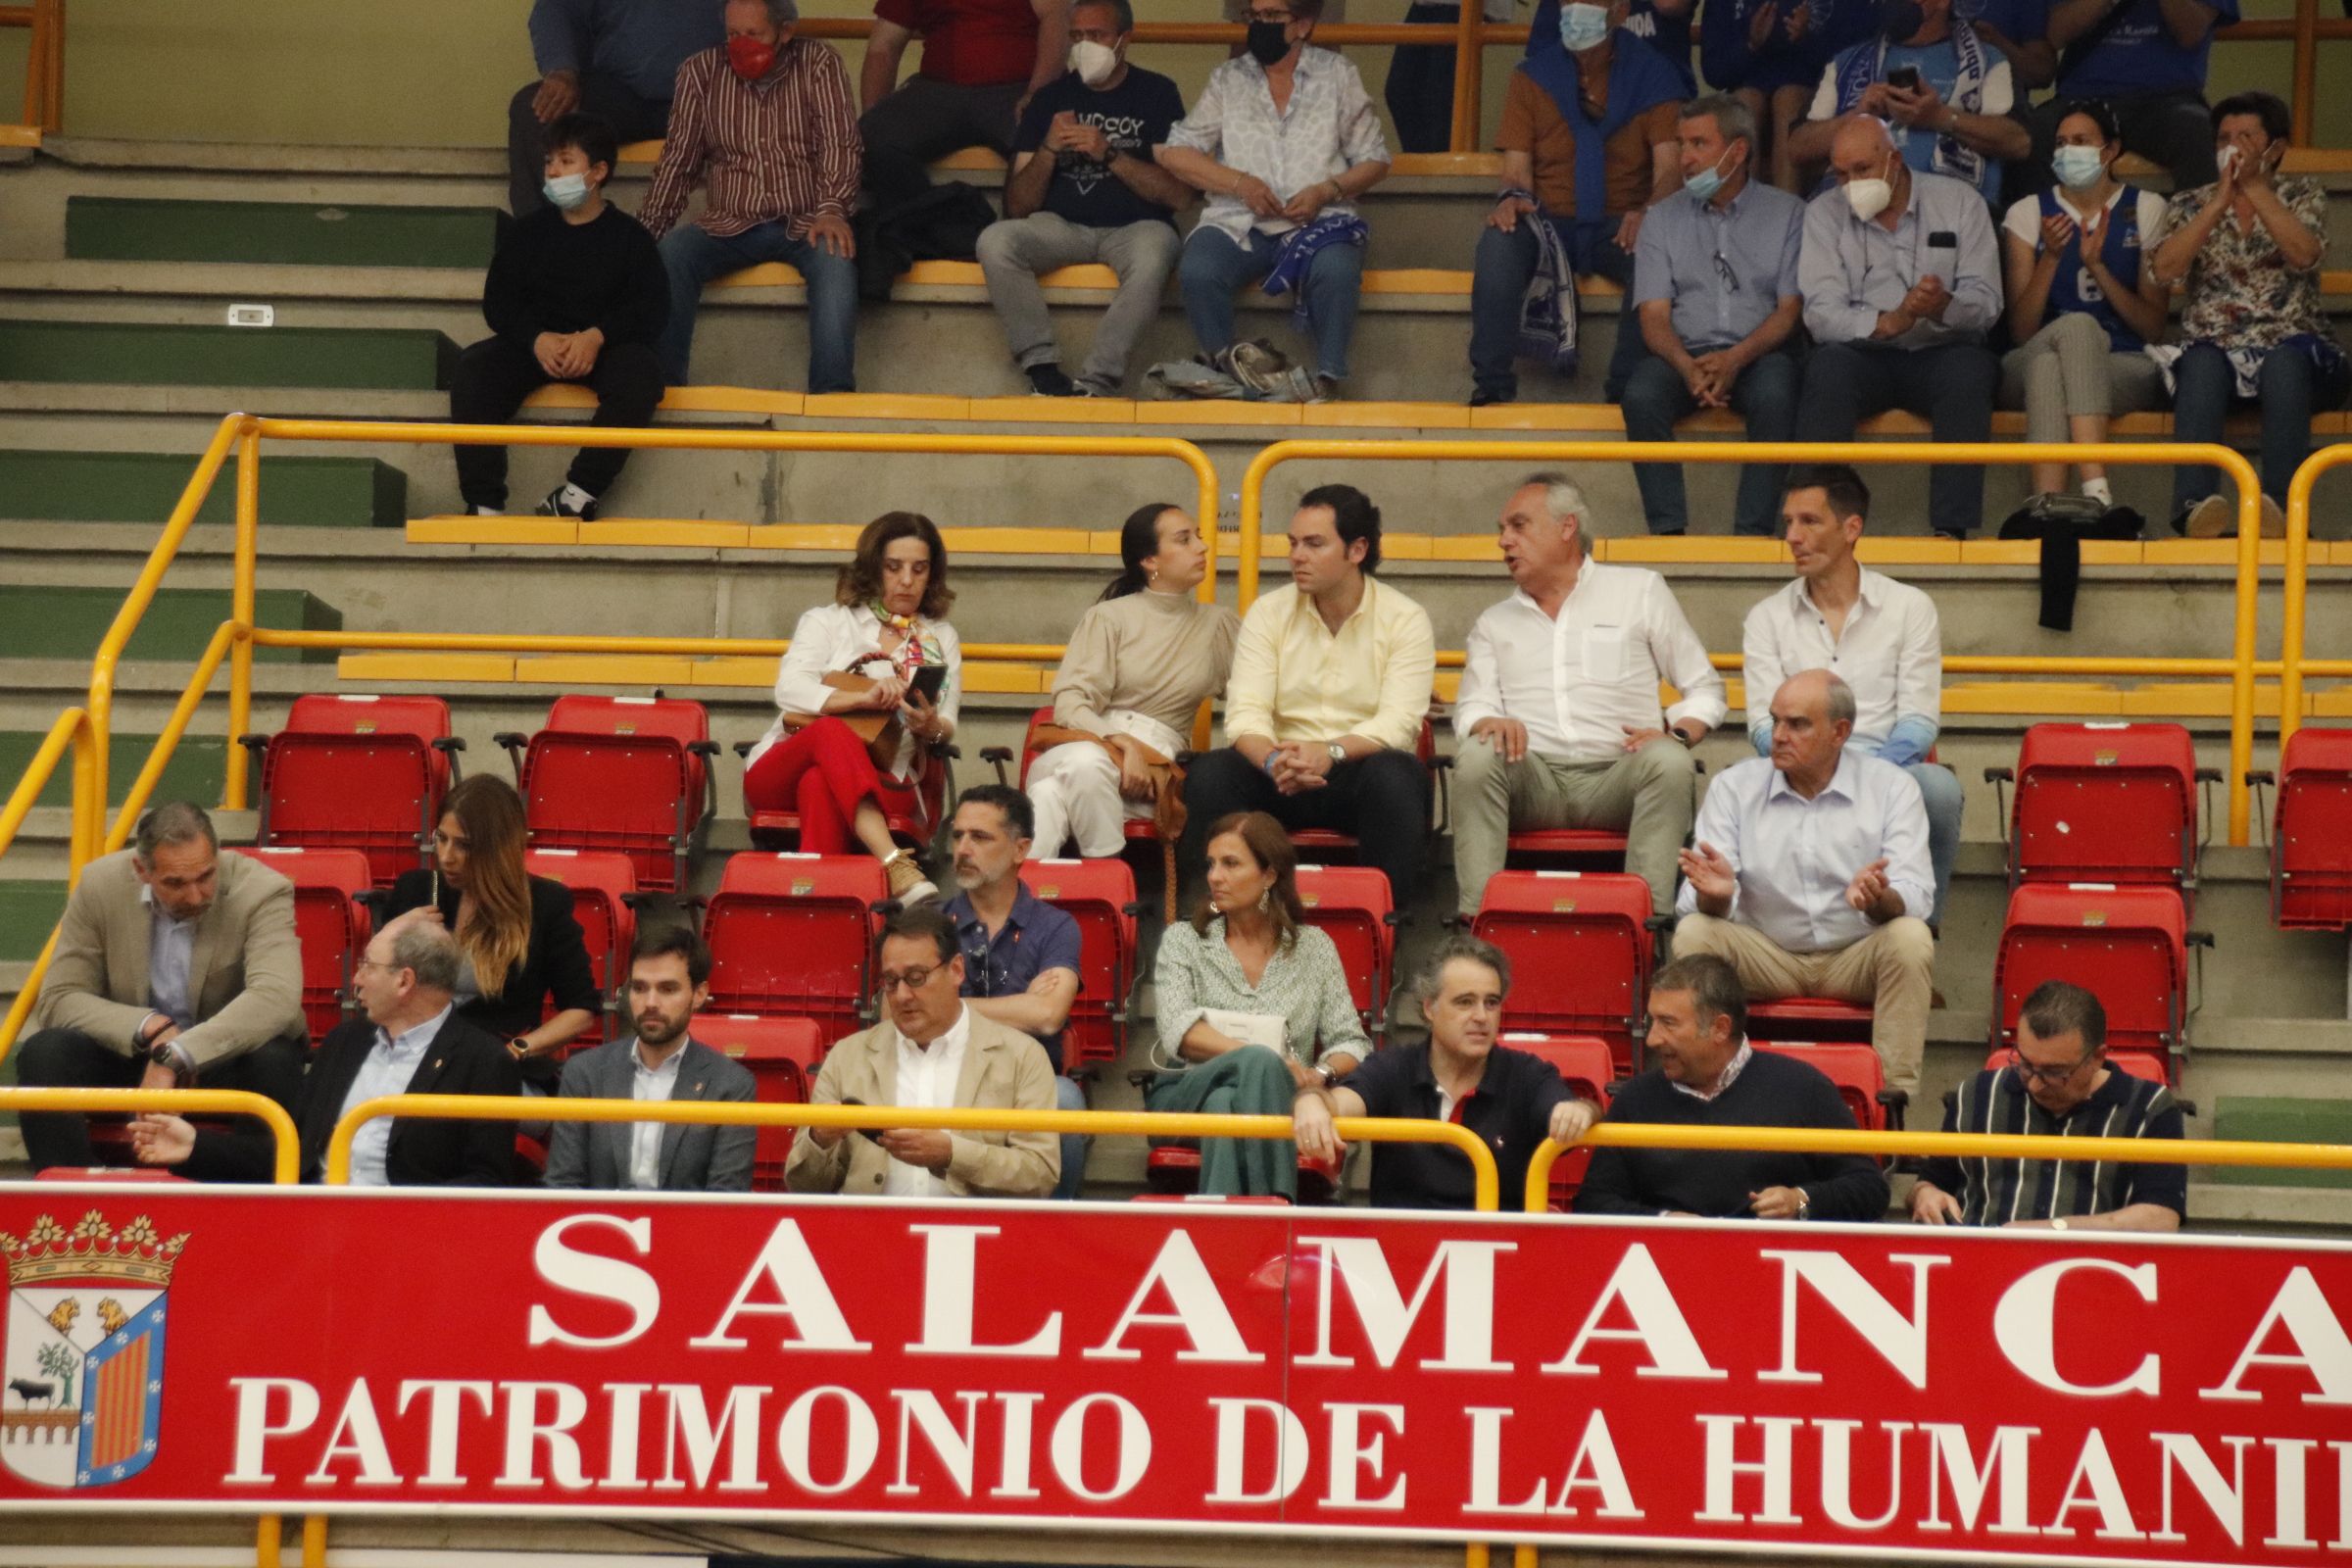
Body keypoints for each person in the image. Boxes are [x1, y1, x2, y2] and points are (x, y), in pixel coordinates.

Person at [1451, 474, 1723, 919]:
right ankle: (1478, 924)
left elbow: (1705, 689)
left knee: (1670, 761)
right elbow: (1472, 707)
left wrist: (1675, 735)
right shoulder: (1493, 621)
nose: (1504, 541)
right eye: (1502, 529)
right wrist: (1488, 722)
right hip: (1534, 780)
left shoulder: (1639, 591)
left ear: (1567, 527)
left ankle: (1645, 926)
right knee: (1479, 753)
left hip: (1619, 774)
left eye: (1519, 526)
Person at [1672, 669, 1936, 1098]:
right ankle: (1705, 1094)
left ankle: (1891, 1102)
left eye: (1797, 724)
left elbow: (1917, 895)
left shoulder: (1891, 788)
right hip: (1766, 954)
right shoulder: (1734, 788)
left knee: (1910, 936)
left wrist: (1877, 900)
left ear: (1840, 732)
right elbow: (1695, 901)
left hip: (1854, 955)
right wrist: (1715, 898)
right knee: (1695, 931)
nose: (1778, 735)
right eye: (1775, 721)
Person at [14, 803, 306, 1175]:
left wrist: (177, 1053)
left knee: (276, 1058)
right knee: (45, 1052)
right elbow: (60, 996)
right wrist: (151, 1028)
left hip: (222, 1056)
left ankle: (253, 1198)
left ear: (216, 856)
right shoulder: (99, 885)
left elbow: (276, 998)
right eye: (175, 883)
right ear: (141, 870)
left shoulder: (263, 889)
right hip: (133, 1055)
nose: (196, 895)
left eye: (206, 876)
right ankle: (70, 1198)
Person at [1180, 484, 1437, 906]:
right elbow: (1245, 713)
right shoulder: (1269, 611)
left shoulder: (1404, 618)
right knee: (1212, 773)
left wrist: (1329, 751)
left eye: (1314, 544)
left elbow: (1399, 722)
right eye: (1294, 543)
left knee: (1397, 775)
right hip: (1278, 770)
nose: (1297, 556)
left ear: (1356, 550)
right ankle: (1209, 921)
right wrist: (1271, 759)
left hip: (1356, 770)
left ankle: (1387, 926)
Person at [129, 924, 521, 1187]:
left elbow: (485, 1184)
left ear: (405, 981)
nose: (356, 978)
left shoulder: (484, 1062)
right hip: (317, 1227)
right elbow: (294, 1154)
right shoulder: (344, 1042)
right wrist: (196, 1144)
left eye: (368, 964)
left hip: (412, 1245)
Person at [1742, 466, 1960, 924]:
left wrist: (1865, 777)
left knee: (1938, 790)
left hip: (1886, 760)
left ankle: (1920, 936)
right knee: (1733, 788)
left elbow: (1919, 721)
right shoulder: (1766, 616)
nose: (1792, 537)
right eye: (1788, 522)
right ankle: (1766, 933)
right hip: (1796, 763)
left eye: (1809, 521)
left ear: (1851, 528)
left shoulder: (1909, 607)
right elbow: (1763, 727)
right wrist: (1813, 766)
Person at [1156, 0, 1394, 401]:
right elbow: (1177, 151)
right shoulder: (1228, 78)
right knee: (1198, 270)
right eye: (1255, 15)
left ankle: (1327, 380)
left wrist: (1326, 191)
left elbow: (1375, 159)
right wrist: (1239, 183)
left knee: (1336, 271)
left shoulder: (1338, 75)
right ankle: (1227, 374)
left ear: (1302, 24)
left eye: (1272, 16)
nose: (1259, 24)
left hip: (1319, 221)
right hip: (1240, 218)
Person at [453, 113, 669, 523]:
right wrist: (535, 338)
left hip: (602, 349)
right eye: (550, 161)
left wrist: (597, 336)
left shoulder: (630, 238)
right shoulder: (528, 232)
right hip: (534, 347)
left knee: (642, 375)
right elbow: (498, 302)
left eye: (566, 161)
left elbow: (651, 308)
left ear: (598, 171)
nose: (553, 170)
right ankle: (483, 505)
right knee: (474, 370)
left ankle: (577, 495)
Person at [1467, 0, 1685, 407]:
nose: (1575, 9)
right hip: (1546, 221)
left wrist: (1649, 212)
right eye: (1568, 1)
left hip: (1621, 222)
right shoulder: (1533, 76)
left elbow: (1670, 172)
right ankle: (1492, 384)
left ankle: (1624, 390)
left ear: (1620, 11)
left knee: (1656, 247)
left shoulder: (1654, 74)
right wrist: (1512, 199)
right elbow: (1516, 172)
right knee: (1499, 241)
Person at [1793, 114, 2001, 540]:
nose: (1851, 183)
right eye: (1841, 174)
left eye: (1862, 170)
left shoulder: (1961, 202)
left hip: (1941, 351)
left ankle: (1951, 531)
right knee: (1826, 369)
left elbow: (1987, 304)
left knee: (1970, 371)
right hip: (1864, 355)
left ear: (1895, 160)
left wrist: (1943, 306)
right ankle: (1815, 524)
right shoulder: (1822, 213)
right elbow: (1820, 314)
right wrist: (1889, 321)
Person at [2149, 92, 2344, 540]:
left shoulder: (2303, 194)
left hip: (2295, 348)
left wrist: (2255, 189)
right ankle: (2195, 510)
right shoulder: (2191, 201)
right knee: (2200, 361)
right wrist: (2218, 203)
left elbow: (2304, 254)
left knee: (2285, 363)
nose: (2231, 147)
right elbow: (2164, 270)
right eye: (2223, 138)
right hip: (2214, 350)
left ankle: (2279, 509)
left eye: (2245, 137)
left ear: (2274, 148)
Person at [743, 512, 962, 906]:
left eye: (919, 569)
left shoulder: (939, 638)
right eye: (894, 568)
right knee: (831, 733)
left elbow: (948, 725)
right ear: (873, 569)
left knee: (820, 783)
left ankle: (820, 915)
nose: (907, 580)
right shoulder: (829, 622)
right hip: (782, 769)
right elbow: (789, 689)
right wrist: (860, 699)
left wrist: (929, 726)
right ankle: (895, 865)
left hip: (887, 778)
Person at [641, 0, 862, 391]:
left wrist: (832, 209)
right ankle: (661, 389)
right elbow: (678, 163)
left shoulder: (819, 62)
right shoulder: (699, 72)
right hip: (727, 223)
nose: (740, 44)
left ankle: (832, 399)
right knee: (671, 255)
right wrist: (645, 234)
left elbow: (840, 144)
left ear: (785, 32)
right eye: (732, 35)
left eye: (753, 34)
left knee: (835, 258)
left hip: (806, 221)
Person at [976, 0, 1193, 399]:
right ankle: (1042, 368)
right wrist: (1048, 149)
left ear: (1124, 39)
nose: (1084, 45)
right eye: (1076, 36)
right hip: (1061, 227)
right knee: (995, 240)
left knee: (1157, 250)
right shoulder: (1049, 99)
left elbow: (1179, 195)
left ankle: (1098, 381)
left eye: (1097, 35)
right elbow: (1018, 207)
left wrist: (1108, 152)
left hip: (1135, 228)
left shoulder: (1157, 93)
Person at [1150, 811, 1368, 1199]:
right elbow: (1178, 1031)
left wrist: (1317, 1073)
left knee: (1224, 1106)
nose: (1215, 876)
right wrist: (1267, 1059)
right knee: (1255, 1065)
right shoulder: (1185, 939)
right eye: (1212, 864)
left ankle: (1235, 1234)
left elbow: (1352, 1042)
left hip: (1276, 1101)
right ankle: (1278, 1208)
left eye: (1231, 864)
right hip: (1184, 1096)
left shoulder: (1314, 948)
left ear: (1270, 875)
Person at [1574, 954, 1890, 1218]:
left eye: (1668, 1023)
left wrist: (1800, 1200)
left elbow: (1869, 1189)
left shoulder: (1804, 1087)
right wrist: (1664, 1220)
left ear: (1720, 1028)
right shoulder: (1637, 1098)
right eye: (1652, 1022)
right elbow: (1594, 1202)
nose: (1654, 1039)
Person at [1295, 935, 1599, 1208]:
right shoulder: (1392, 1067)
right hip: (1400, 1255)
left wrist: (1580, 1111)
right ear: (1429, 1008)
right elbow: (1338, 1103)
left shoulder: (1528, 1074)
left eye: (1491, 1003)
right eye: (1464, 1002)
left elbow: (1572, 1109)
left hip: (1499, 1255)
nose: (1481, 1016)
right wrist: (1311, 1102)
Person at [1619, 93, 1806, 536]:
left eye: (1698, 144)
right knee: (1641, 395)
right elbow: (1654, 318)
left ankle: (1752, 534)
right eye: (1682, 145)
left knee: (1778, 394)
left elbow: (1788, 312)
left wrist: (1735, 359)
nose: (1684, 159)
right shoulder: (1661, 220)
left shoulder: (1788, 214)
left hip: (1758, 353)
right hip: (1683, 354)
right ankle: (1667, 532)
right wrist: (1687, 366)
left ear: (1737, 151)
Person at [785, 906, 1059, 1197]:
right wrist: (819, 1140)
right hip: (870, 1234)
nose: (902, 996)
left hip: (973, 1237)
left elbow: (1040, 1174)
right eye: (891, 982)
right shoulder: (847, 1056)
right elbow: (802, 1187)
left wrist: (953, 1154)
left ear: (956, 970)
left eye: (916, 977)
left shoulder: (1021, 1057)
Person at [1030, 504, 1240, 859]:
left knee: (1049, 795)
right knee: (1085, 764)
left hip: (1153, 770)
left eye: (1199, 538)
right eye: (1184, 540)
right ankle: (1108, 877)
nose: (1202, 548)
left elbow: (1254, 698)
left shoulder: (1219, 625)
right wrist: (1122, 743)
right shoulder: (1107, 617)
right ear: (1150, 561)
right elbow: (1070, 704)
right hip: (1091, 742)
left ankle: (1018, 905)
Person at [379, 774, 602, 1096]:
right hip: (411, 1059)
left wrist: (518, 1049)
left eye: (464, 845)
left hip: (496, 1068)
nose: (446, 856)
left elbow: (581, 1010)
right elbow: (373, 987)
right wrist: (393, 932)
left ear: (498, 847)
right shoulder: (415, 890)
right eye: (441, 839)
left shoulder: (543, 903)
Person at [1998, 98, 2171, 512]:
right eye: (2060, 143)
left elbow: (2151, 327)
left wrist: (2098, 267)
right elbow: (2022, 332)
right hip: (2032, 352)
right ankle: (2097, 490)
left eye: (2080, 141)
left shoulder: (2146, 208)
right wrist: (2052, 258)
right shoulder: (2027, 212)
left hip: (2123, 360)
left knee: (2049, 372)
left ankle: (2046, 508)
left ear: (2109, 151)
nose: (2066, 151)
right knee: (2068, 333)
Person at [1912, 980, 2186, 1230]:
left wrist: (2054, 1230)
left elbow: (2161, 1218)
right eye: (2025, 1064)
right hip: (1980, 1267)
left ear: (2097, 1058)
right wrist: (1926, 1194)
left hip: (2097, 1270)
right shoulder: (1976, 1093)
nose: (2034, 1084)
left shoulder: (2149, 1108)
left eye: (2055, 1072)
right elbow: (1930, 1182)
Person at [939, 786, 1091, 1200]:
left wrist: (950, 1007)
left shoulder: (1056, 926)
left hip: (1029, 1081)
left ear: (1021, 849)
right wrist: (1022, 1003)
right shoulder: (931, 923)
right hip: (942, 1075)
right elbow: (896, 1017)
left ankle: (1054, 1233)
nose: (963, 849)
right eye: (957, 836)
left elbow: (1047, 1016)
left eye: (980, 837)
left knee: (1066, 1100)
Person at [543, 927, 758, 1193]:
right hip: (597, 1227)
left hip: (688, 1230)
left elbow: (725, 1199)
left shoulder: (731, 1084)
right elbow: (562, 1186)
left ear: (699, 995)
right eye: (639, 988)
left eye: (668, 989)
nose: (650, 1002)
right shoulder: (584, 1073)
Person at [1785, 0, 2030, 210]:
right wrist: (1858, 115)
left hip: (1950, 213)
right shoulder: (1847, 63)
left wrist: (1938, 117)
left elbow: (2019, 142)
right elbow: (1797, 148)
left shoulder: (1988, 60)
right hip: (1853, 212)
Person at [508, 0, 725, 219]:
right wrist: (562, 70)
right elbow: (556, 8)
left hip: (719, 100)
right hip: (623, 95)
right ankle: (540, 243)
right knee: (533, 109)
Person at [859, 0, 1073, 207]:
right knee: (873, 136)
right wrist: (872, 122)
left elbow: (1056, 19)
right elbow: (883, 48)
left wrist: (1038, 94)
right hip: (937, 90)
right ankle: (921, 231)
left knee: (1041, 134)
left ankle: (1012, 237)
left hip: (1016, 90)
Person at [2026, 0, 2235, 198]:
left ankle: (2198, 230)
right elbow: (2056, 34)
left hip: (2167, 100)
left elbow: (2191, 32)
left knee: (2197, 130)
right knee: (2035, 131)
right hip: (2083, 97)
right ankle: (2038, 232)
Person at [1699, 0, 1874, 193]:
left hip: (1811, 92)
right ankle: (1740, 211)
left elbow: (1855, 57)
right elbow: (1714, 72)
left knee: (1788, 99)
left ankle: (1788, 212)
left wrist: (1808, 38)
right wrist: (1751, 45)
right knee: (1747, 101)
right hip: (1747, 92)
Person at [1387, 0, 1525, 156]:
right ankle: (1425, 166)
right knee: (1400, 89)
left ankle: (1436, 168)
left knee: (1438, 95)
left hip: (1463, 5)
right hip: (1428, 4)